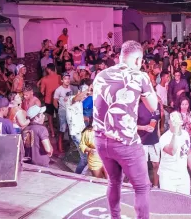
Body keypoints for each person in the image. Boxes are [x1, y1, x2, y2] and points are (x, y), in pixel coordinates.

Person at [92, 40, 158, 219]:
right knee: (142, 187)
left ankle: (115, 217)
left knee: (114, 181)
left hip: (100, 139)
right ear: (138, 60)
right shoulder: (140, 76)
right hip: (125, 141)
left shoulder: (100, 75)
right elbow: (153, 106)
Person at [158, 111, 191, 195]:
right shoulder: (164, 138)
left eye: (178, 118)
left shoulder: (185, 134)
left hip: (183, 176)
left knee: (184, 202)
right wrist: (175, 133)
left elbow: (188, 153)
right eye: (173, 119)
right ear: (169, 121)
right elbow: (172, 151)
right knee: (169, 203)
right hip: (168, 178)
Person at [137, 99, 162, 188]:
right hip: (142, 141)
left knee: (156, 164)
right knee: (143, 165)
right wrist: (144, 128)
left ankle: (155, 186)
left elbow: (157, 122)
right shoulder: (138, 107)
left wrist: (159, 139)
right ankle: (144, 185)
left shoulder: (156, 105)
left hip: (154, 140)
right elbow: (131, 125)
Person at [67, 83, 91, 174]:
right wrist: (87, 91)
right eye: (84, 93)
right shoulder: (70, 99)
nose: (86, 96)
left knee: (86, 157)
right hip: (76, 133)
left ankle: (79, 174)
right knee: (85, 158)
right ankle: (77, 175)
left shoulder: (80, 102)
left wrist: (84, 118)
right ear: (79, 92)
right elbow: (76, 99)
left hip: (80, 132)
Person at [53, 72, 73, 154]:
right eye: (65, 79)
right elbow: (54, 101)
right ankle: (60, 147)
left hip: (70, 111)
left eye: (68, 78)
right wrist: (59, 110)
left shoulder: (70, 88)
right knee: (62, 129)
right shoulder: (58, 90)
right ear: (62, 80)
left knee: (70, 129)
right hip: (62, 111)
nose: (67, 80)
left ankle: (70, 146)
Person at [40, 63, 60, 137]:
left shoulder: (44, 79)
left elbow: (42, 91)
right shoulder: (59, 77)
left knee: (50, 117)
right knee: (59, 116)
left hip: (48, 100)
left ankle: (52, 133)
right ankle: (60, 131)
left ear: (48, 69)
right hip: (58, 100)